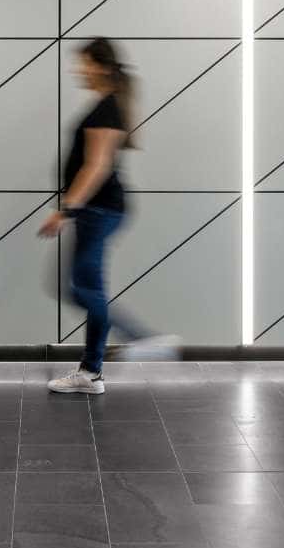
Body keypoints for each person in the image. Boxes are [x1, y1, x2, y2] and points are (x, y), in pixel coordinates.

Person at [39, 38, 180, 394]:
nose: (78, 70)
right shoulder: (107, 105)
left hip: (98, 209)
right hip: (97, 210)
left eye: (84, 63)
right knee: (87, 289)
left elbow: (97, 166)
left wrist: (66, 210)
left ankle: (140, 338)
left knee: (82, 289)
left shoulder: (107, 109)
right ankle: (92, 373)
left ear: (101, 66)